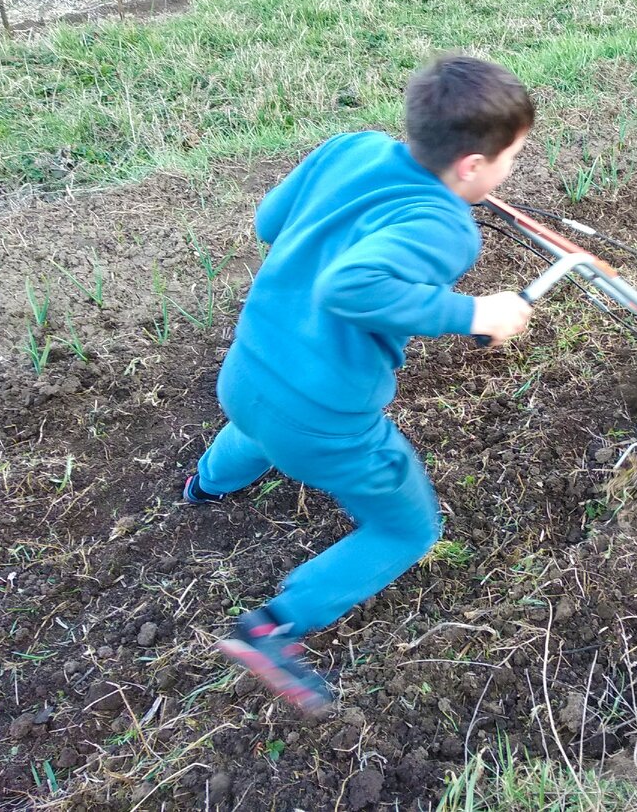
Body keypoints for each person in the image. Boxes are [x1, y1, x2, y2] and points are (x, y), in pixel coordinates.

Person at [182, 55, 535, 713]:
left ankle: (205, 485)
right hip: (324, 419)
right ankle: (273, 629)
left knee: (259, 425)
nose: (513, 168)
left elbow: (268, 223)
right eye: (512, 156)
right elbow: (351, 286)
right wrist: (475, 313)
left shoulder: (352, 148)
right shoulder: (445, 225)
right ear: (470, 167)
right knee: (408, 529)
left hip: (247, 369)